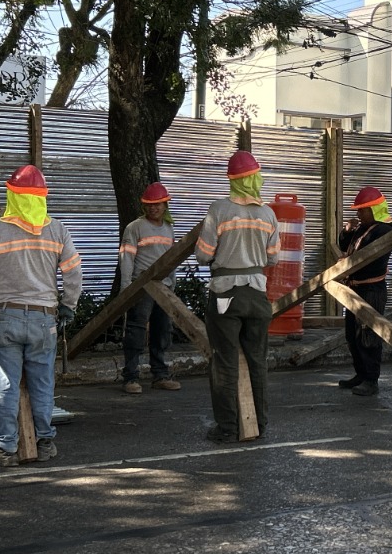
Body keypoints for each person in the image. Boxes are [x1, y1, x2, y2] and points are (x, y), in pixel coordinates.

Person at [0, 165, 83, 466]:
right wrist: (69, 305)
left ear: (11, 195)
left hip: (5, 320)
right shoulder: (58, 230)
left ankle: (4, 449)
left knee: (6, 386)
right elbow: (74, 274)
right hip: (44, 321)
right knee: (42, 384)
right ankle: (45, 442)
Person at [196, 151, 279, 442]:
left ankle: (228, 427)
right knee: (258, 359)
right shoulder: (268, 213)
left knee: (225, 362)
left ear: (232, 181)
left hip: (225, 294)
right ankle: (261, 423)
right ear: (256, 179)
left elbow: (203, 255)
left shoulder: (218, 210)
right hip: (257, 294)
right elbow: (274, 258)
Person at [119, 182, 181, 394]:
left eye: (158, 204)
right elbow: (127, 257)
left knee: (162, 330)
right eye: (150, 205)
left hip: (163, 288)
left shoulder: (169, 228)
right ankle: (130, 377)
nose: (153, 208)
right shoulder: (135, 227)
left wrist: (172, 283)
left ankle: (160, 375)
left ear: (165, 205)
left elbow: (171, 259)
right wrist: (126, 287)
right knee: (136, 330)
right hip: (141, 287)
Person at [337, 186, 392, 395]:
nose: (358, 214)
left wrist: (347, 263)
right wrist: (346, 232)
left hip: (371, 289)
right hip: (354, 289)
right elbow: (346, 246)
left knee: (368, 336)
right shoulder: (363, 228)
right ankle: (360, 374)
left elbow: (370, 259)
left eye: (362, 210)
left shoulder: (384, 231)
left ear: (374, 210)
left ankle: (371, 379)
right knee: (352, 335)